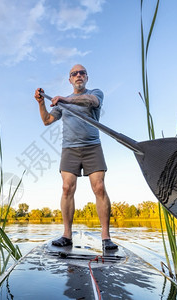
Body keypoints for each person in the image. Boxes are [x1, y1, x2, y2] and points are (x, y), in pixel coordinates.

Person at [34, 64, 118, 250]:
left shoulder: (95, 93)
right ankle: (67, 235)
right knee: (66, 188)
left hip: (92, 147)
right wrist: (40, 103)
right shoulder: (62, 103)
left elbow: (92, 101)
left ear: (86, 77)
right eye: (74, 74)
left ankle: (105, 237)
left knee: (99, 187)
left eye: (82, 73)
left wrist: (65, 99)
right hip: (69, 149)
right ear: (70, 79)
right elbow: (47, 120)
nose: (78, 75)